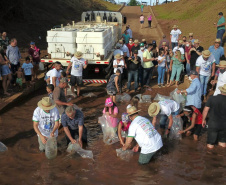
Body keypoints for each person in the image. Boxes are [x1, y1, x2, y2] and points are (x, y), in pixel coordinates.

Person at [202, 84, 226, 149]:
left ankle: (209, 157)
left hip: (213, 123)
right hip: (224, 124)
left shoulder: (212, 98)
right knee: (222, 143)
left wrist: (203, 120)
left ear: (221, 91)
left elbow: (205, 110)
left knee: (210, 144)